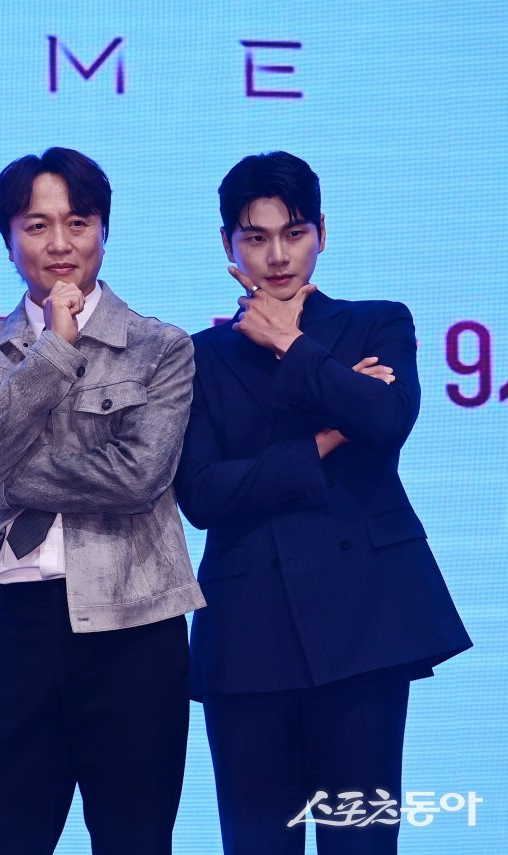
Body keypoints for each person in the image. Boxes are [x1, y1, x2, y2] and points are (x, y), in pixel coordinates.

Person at [173, 150, 472, 854]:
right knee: (257, 843)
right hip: (248, 634)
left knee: (362, 841)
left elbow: (389, 418)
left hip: (366, 623)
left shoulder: (377, 323)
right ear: (227, 243)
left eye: (294, 232)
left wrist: (290, 342)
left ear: (322, 233)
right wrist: (332, 433)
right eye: (255, 237)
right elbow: (204, 494)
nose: (277, 256)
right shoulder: (199, 356)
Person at [0, 147, 205, 855]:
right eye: (36, 225)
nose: (59, 243)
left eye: (77, 223)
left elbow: (137, 476)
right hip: (17, 624)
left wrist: (4, 482)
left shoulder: (160, 347)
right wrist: (54, 347)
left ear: (104, 230)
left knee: (135, 840)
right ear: (8, 238)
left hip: (135, 625)